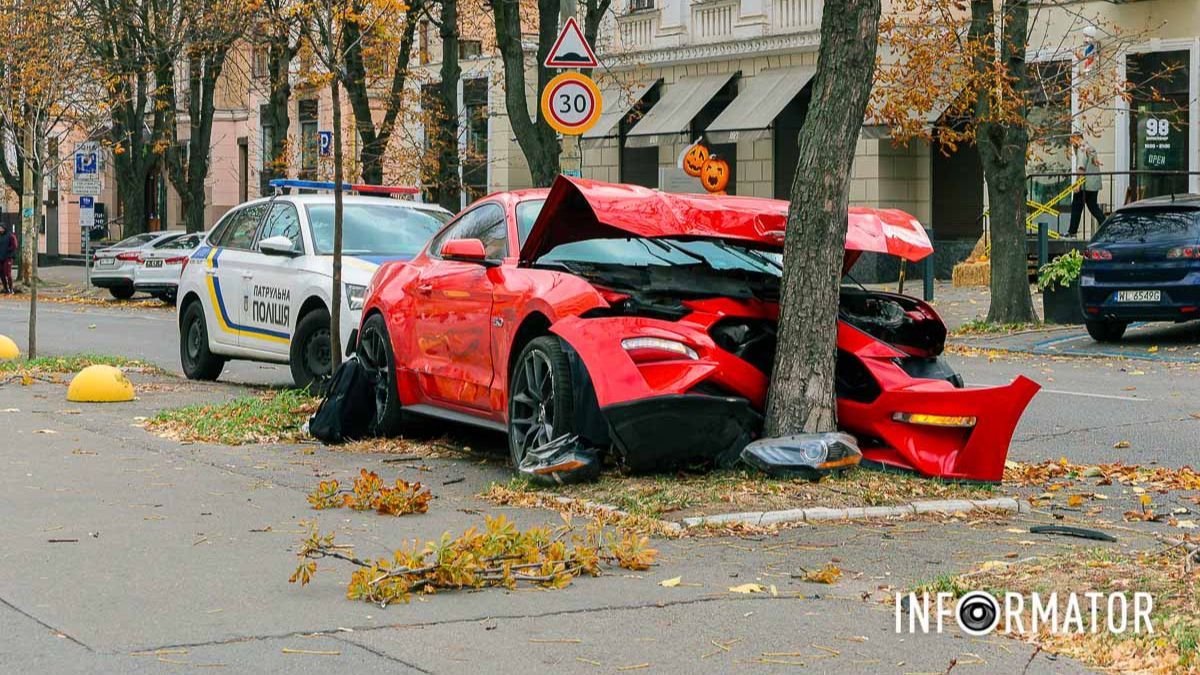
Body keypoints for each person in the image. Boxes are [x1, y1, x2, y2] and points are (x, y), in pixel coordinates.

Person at [1068, 138, 1105, 237]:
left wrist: (1078, 185)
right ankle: (1106, 226)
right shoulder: (1090, 147)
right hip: (1094, 183)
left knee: (1076, 207)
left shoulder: (1082, 149)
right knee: (1093, 206)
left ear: (1076, 140)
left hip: (1085, 185)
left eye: (1072, 141)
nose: (1071, 144)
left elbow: (1081, 168)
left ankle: (1072, 232)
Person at [0, 223, 15, 294]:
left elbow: (14, 245)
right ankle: (5, 288)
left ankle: (11, 289)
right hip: (1, 258)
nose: (0, 229)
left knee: (8, 274)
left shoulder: (10, 236)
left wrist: (8, 250)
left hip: (8, 257)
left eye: (1, 227)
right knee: (1, 274)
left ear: (4, 228)